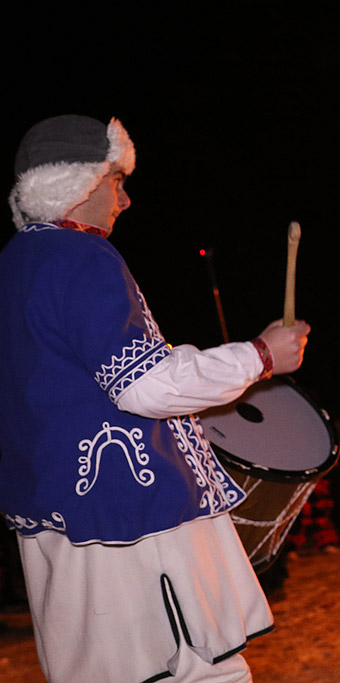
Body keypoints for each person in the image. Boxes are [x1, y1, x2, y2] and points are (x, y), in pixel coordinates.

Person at [0, 114, 311, 682]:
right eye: (116, 181)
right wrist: (261, 356)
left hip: (60, 523)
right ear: (80, 185)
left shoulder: (15, 265)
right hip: (131, 522)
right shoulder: (79, 257)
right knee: (200, 673)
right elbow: (144, 384)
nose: (125, 198)